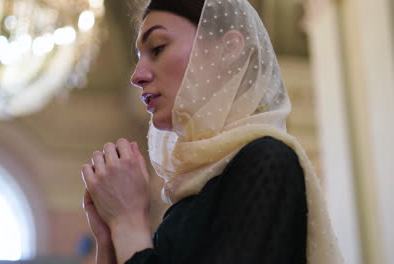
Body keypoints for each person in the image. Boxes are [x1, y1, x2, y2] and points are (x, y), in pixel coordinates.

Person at [81, 0, 343, 263]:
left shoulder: (269, 159)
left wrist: (129, 222)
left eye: (158, 48)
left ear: (228, 49)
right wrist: (109, 241)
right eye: (139, 58)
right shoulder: (190, 194)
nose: (136, 75)